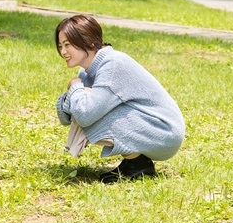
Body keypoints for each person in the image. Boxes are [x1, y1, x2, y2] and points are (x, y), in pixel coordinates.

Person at [54, 14, 185, 183]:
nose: (63, 52)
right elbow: (66, 118)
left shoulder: (112, 65)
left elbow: (84, 114)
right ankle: (135, 162)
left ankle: (138, 165)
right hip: (153, 128)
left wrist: (75, 87)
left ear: (89, 42)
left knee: (90, 108)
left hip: (164, 132)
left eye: (67, 45)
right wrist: (76, 93)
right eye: (60, 46)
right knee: (89, 103)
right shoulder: (87, 72)